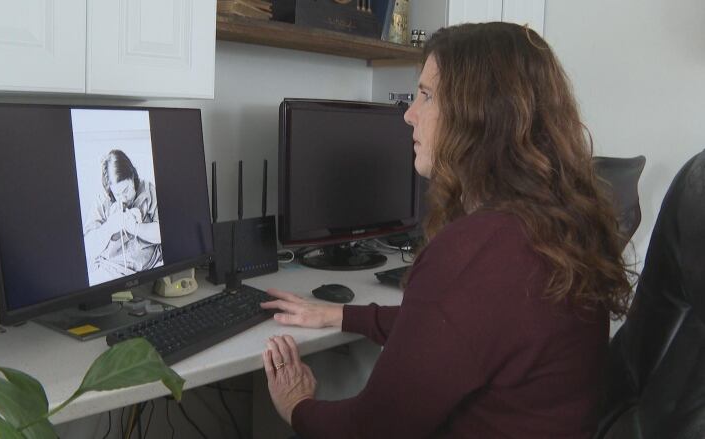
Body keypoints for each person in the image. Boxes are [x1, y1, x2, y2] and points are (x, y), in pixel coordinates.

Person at [259, 22, 633, 438]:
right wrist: (342, 314)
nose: (408, 113)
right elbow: (458, 326)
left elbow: (370, 430)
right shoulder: (553, 225)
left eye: (427, 95)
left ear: (479, 114)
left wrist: (296, 405)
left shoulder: (479, 249)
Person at [84, 149, 162, 284]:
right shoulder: (102, 201)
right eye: (118, 194)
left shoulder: (147, 189)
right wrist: (110, 227)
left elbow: (164, 233)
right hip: (113, 270)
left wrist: (135, 228)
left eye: (126, 190)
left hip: (152, 264)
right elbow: (89, 248)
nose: (123, 198)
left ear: (132, 177)